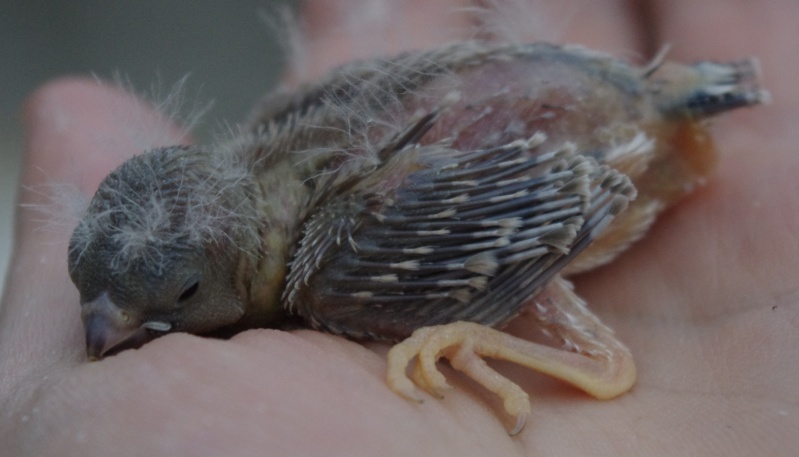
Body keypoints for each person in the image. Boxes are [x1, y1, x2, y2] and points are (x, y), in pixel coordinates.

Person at [2, 1, 796, 454]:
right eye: (94, 295)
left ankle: (591, 354)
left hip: (620, 136)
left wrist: (470, 332)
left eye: (177, 290)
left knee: (531, 316)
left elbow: (560, 200)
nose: (100, 331)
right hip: (602, 98)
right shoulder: (276, 125)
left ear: (230, 272)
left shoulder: (328, 274)